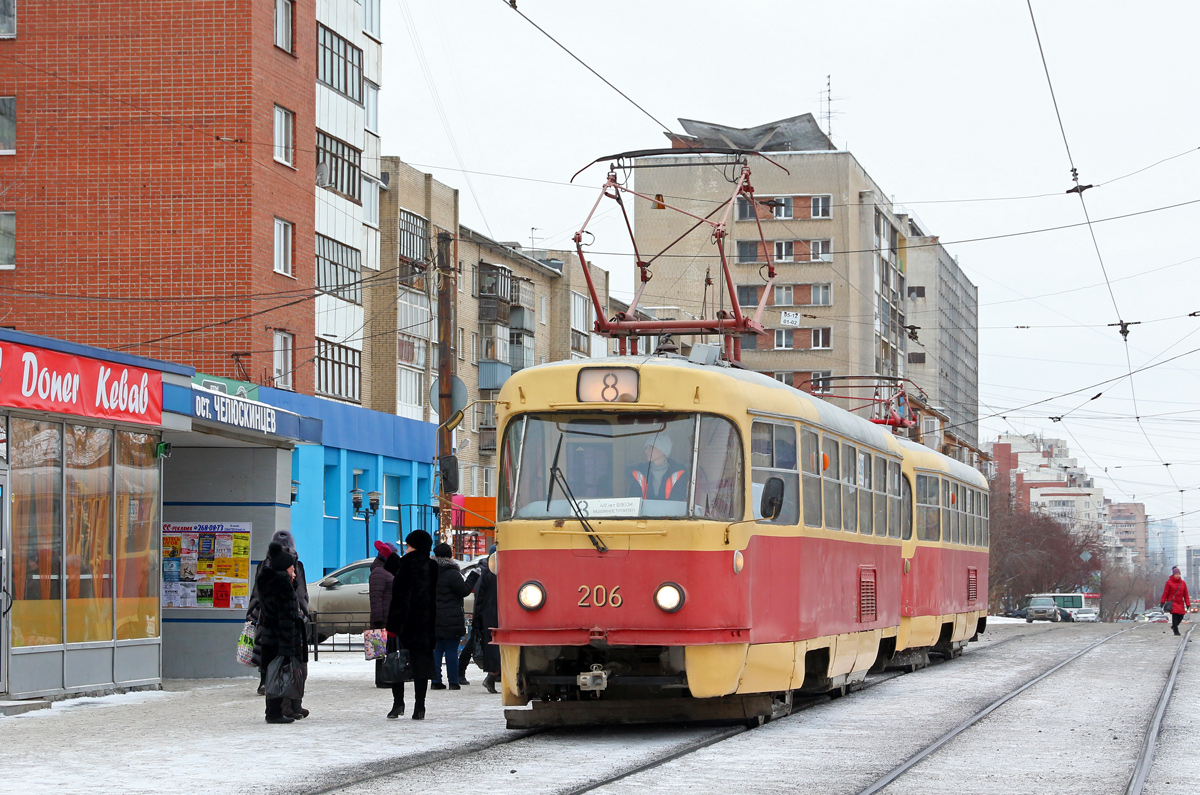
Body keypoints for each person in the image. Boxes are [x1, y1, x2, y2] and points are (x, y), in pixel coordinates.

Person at [375, 530, 438, 720]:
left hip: (404, 624)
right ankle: (420, 707)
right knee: (421, 667)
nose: (406, 549)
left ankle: (398, 704)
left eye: (408, 545)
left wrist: (392, 627)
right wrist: (393, 559)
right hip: (425, 624)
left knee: (398, 663)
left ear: (414, 546)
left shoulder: (406, 565)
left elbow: (400, 598)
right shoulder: (432, 566)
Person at [246, 530, 310, 697]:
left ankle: (265, 681)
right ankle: (286, 685)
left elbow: (256, 594)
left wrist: (252, 615)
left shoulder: (264, 564)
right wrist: (303, 614)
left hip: (265, 614)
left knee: (266, 647)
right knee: (288, 651)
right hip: (289, 613)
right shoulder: (296, 564)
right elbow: (301, 594)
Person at [256, 542, 307, 724]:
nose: (294, 573)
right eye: (292, 569)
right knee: (279, 676)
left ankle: (274, 711)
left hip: (270, 638)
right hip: (280, 641)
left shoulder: (270, 582)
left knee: (273, 675)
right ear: (284, 569)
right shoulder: (281, 586)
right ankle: (274, 713)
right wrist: (287, 647)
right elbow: (286, 619)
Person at [431, 542, 481, 690]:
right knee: (451, 650)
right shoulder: (452, 573)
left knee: (437, 650)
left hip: (433, 618)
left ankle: (435, 682)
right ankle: (453, 682)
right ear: (450, 556)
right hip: (451, 618)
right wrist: (473, 576)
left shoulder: (429, 573)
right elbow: (464, 591)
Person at [472, 544, 501, 694]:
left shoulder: (486, 573)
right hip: (498, 613)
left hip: (488, 613)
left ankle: (492, 676)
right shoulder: (499, 573)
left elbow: (479, 596)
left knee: (493, 645)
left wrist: (478, 616)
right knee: (499, 647)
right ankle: (492, 676)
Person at [369, 542, 398, 688]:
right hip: (383, 618)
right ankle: (382, 679)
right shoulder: (379, 572)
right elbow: (376, 597)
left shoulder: (385, 570)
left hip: (388, 615)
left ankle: (387, 677)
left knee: (387, 650)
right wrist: (378, 620)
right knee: (381, 651)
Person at [629, 436, 689, 501]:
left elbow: (679, 499)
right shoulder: (639, 473)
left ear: (662, 451)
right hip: (645, 511)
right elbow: (634, 499)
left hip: (670, 511)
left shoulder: (678, 472)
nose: (647, 451)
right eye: (646, 448)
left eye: (652, 447)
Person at [1160, 566, 1192, 636]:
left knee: (1181, 615)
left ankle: (1174, 626)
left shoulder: (1183, 583)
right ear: (1173, 574)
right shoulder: (1169, 582)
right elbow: (1165, 593)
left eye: (1178, 574)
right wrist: (1162, 602)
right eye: (1176, 574)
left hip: (1180, 602)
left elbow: (1186, 594)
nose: (1177, 575)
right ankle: (1175, 630)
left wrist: (1188, 604)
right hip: (1172, 602)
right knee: (1175, 615)